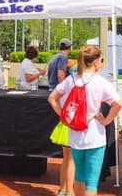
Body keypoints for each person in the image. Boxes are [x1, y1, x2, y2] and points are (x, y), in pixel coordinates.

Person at [48, 45, 122, 196]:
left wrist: (64, 116)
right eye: (101, 59)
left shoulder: (71, 80)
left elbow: (52, 98)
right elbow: (118, 103)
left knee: (79, 175)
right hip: (95, 135)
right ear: (96, 62)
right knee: (92, 182)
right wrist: (106, 121)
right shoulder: (100, 82)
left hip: (75, 136)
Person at [48, 38, 74, 196]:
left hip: (56, 99)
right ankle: (68, 191)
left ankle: (63, 189)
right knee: (71, 159)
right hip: (64, 106)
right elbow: (60, 76)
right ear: (69, 48)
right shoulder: (63, 59)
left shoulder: (53, 57)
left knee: (66, 158)